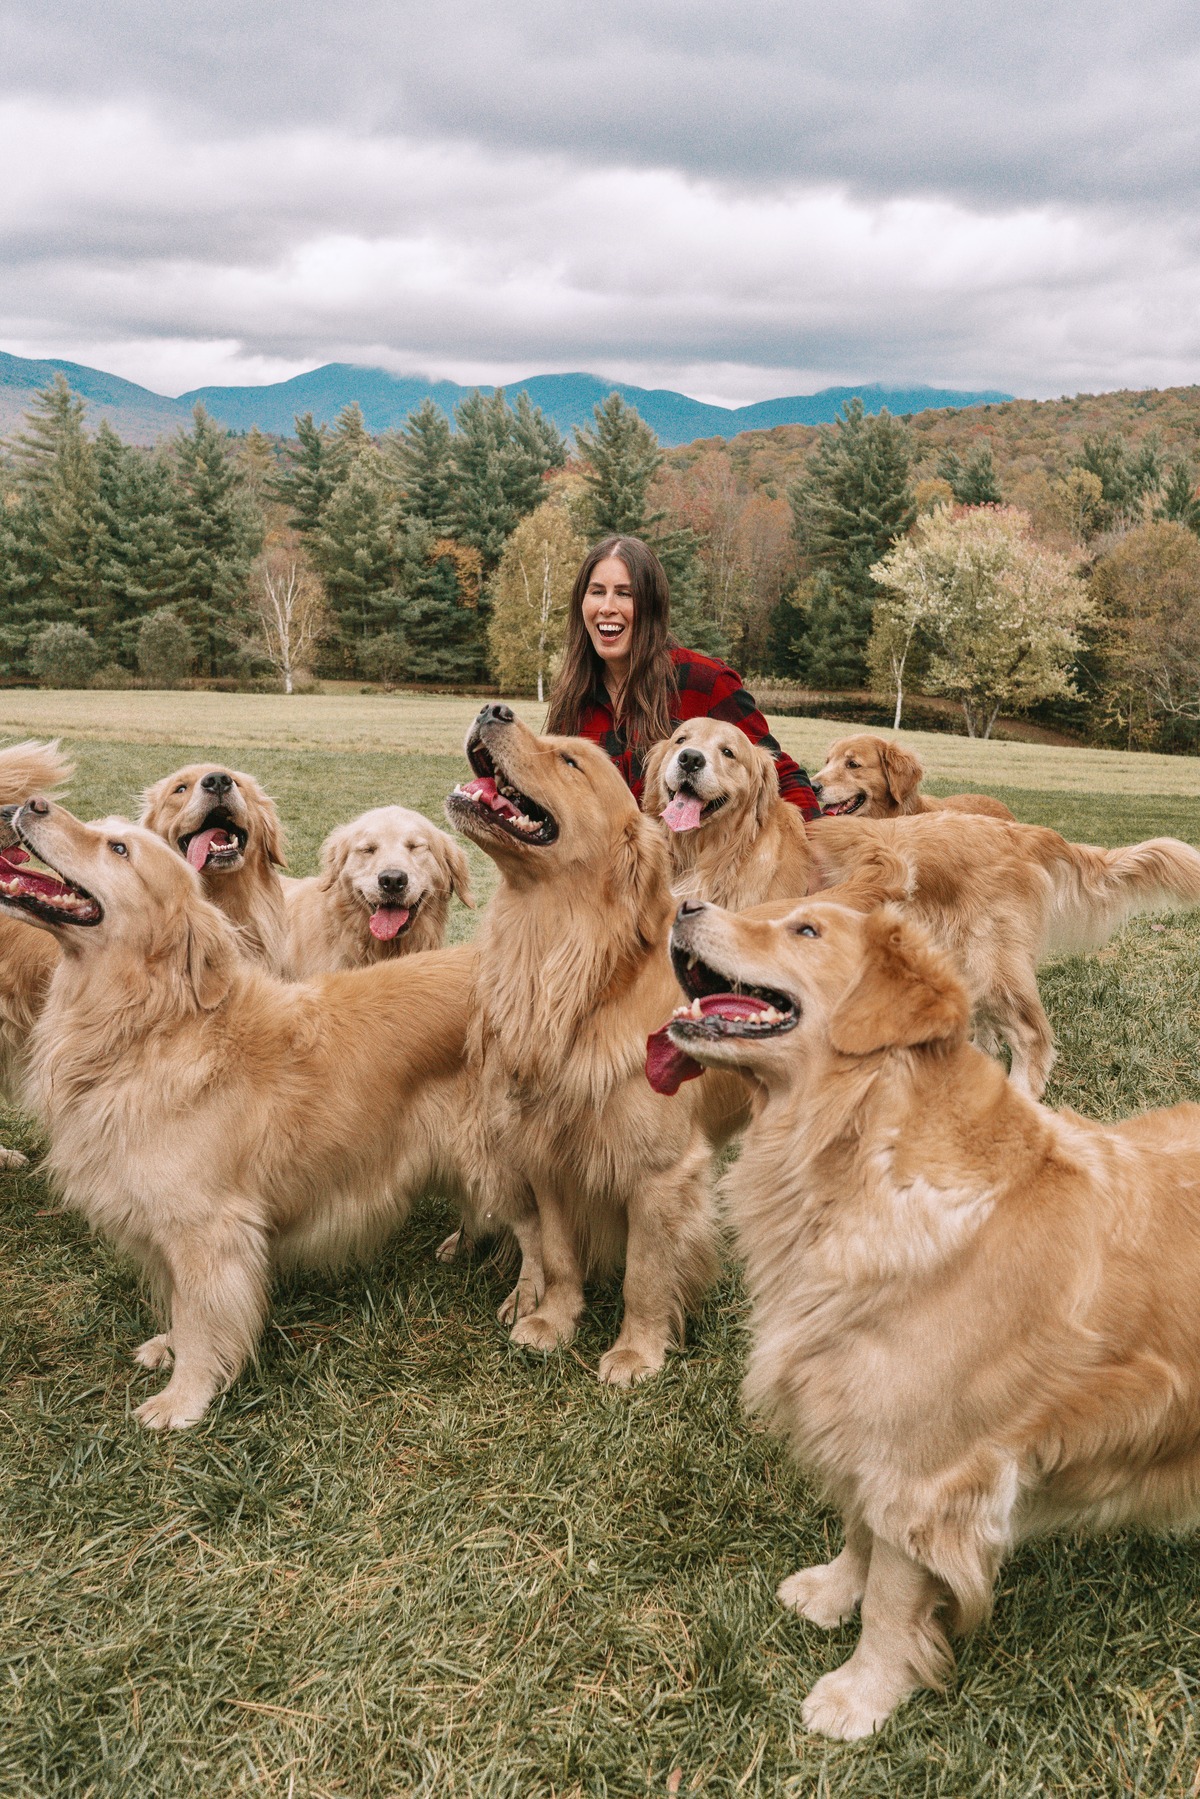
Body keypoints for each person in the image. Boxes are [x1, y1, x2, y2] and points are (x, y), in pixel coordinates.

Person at [545, 534, 820, 817]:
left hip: (682, 861)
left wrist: (815, 854)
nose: (607, 607)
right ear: (582, 603)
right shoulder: (574, 695)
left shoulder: (704, 681)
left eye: (625, 593)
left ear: (652, 606)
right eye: (597, 591)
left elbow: (780, 776)